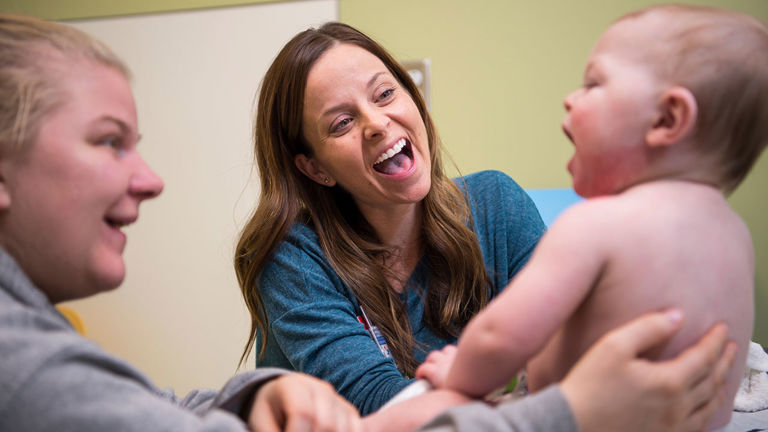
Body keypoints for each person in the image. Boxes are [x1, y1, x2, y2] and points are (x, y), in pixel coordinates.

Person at [234, 20, 738, 430]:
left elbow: (561, 353)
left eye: (385, 94)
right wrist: (563, 401)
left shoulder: (496, 204)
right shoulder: (291, 258)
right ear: (315, 167)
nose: (377, 123)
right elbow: (378, 405)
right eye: (341, 123)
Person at [0, 14, 363, 432]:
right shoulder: (25, 363)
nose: (151, 181)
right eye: (109, 142)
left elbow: (144, 404)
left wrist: (255, 397)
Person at [415, 4, 767, 430]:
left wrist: (458, 375)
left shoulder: (596, 224)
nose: (570, 97)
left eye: (593, 83)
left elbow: (500, 337)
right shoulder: (736, 237)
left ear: (667, 119)